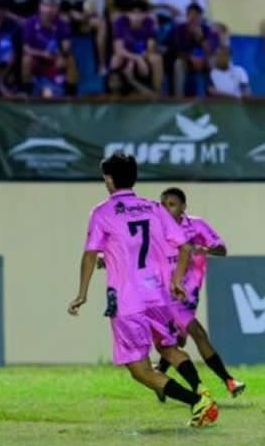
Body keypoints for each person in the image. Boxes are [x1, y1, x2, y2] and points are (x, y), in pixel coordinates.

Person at [67, 152, 218, 428]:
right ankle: (201, 390)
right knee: (169, 348)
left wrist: (82, 294)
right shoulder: (153, 207)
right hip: (158, 295)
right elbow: (185, 246)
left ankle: (198, 403)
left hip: (128, 301)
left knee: (140, 370)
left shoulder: (102, 212)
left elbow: (90, 255)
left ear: (109, 180)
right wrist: (175, 280)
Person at [154, 188, 246, 399]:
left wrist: (205, 250)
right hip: (165, 293)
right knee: (198, 333)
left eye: (172, 204)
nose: (167, 209)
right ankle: (228, 381)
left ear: (184, 207)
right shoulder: (156, 229)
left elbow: (222, 249)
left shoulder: (196, 226)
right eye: (164, 204)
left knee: (177, 341)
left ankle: (159, 377)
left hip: (188, 296)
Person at [21, 0, 77, 97]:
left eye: (53, 6)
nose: (49, 10)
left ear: (57, 8)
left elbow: (66, 45)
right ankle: (26, 91)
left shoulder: (62, 24)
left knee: (70, 60)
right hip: (37, 59)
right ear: (40, 6)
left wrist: (62, 55)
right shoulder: (30, 22)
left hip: (54, 58)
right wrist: (42, 54)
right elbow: (25, 48)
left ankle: (71, 94)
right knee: (26, 60)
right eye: (46, 6)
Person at [54, 0, 102, 69]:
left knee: (100, 23)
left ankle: (101, 63)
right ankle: (63, 58)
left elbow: (91, 7)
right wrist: (71, 13)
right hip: (66, 21)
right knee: (63, 19)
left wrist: (84, 17)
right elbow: (56, 11)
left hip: (83, 20)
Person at [110, 0, 162, 94]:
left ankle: (157, 92)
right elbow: (119, 49)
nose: (136, 16)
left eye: (140, 13)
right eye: (132, 12)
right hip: (127, 54)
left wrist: (141, 57)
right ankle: (115, 93)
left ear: (145, 14)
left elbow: (150, 48)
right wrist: (136, 59)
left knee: (156, 59)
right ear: (126, 13)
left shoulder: (149, 22)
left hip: (143, 54)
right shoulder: (120, 22)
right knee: (115, 59)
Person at [173, 3, 219, 97]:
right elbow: (177, 50)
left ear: (201, 17)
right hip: (186, 60)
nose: (193, 18)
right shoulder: (179, 29)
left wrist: (201, 38)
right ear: (187, 16)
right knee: (178, 64)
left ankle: (212, 98)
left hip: (204, 60)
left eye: (196, 15)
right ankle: (178, 99)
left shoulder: (207, 30)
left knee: (213, 62)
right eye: (191, 14)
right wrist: (191, 57)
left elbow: (210, 50)